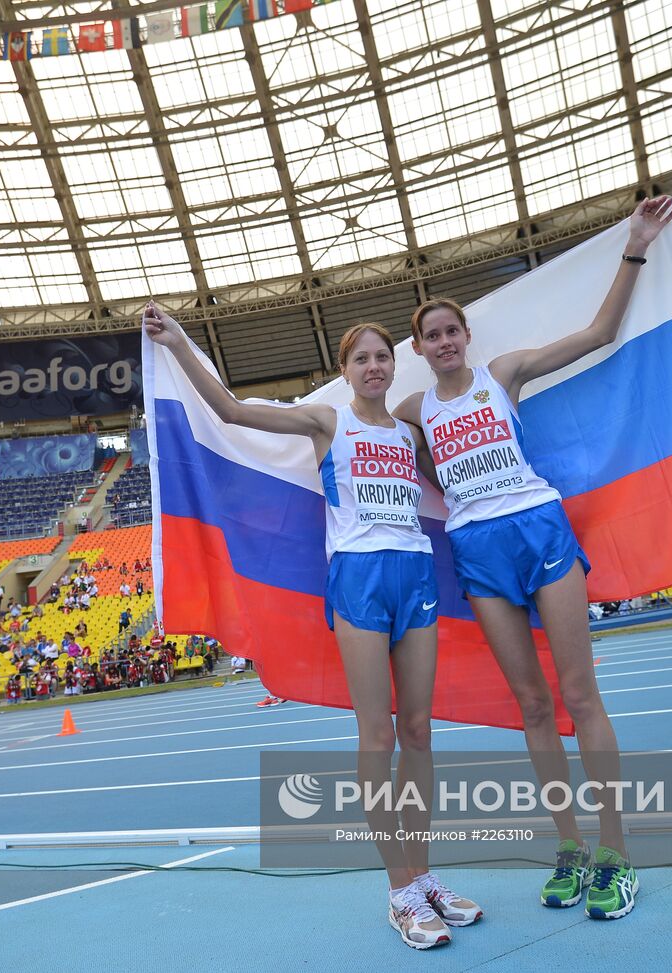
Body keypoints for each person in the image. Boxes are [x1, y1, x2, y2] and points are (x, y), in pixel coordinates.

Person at [147, 304, 479, 949]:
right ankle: (399, 891)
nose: (374, 366)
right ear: (346, 371)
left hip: (414, 574)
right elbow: (232, 411)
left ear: (395, 362)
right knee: (377, 733)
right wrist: (182, 342)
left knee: (418, 730)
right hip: (358, 580)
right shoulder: (328, 421)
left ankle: (425, 873)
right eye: (362, 358)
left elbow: (467, 472)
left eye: (383, 356)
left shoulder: (413, 433)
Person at [393, 196, 672, 922]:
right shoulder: (414, 411)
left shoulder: (504, 372)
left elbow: (600, 332)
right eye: (433, 334)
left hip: (540, 530)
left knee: (580, 696)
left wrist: (636, 245)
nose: (446, 340)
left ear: (465, 335)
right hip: (478, 550)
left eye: (453, 329)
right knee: (534, 705)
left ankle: (615, 850)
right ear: (418, 348)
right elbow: (348, 431)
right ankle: (570, 848)